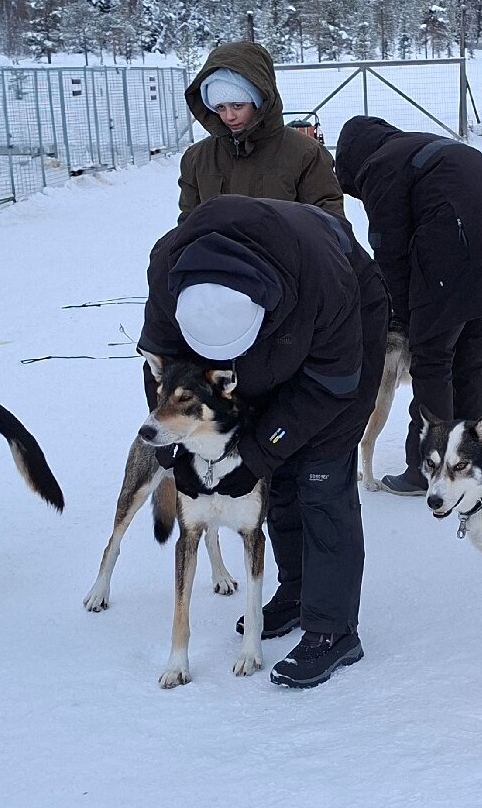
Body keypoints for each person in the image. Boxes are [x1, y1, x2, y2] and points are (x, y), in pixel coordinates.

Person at [138, 194, 388, 689]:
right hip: (276, 338)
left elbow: (330, 386)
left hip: (338, 345)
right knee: (279, 475)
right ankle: (295, 593)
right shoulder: (169, 267)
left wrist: (256, 453)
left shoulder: (324, 281)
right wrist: (174, 446)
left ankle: (332, 629)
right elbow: (163, 369)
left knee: (319, 473)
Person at [333, 116, 482, 495]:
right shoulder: (427, 148)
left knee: (432, 360)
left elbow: (390, 252)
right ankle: (471, 460)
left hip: (454, 253)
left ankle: (426, 469)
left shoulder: (380, 166)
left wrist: (404, 317)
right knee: (471, 358)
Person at [178, 42, 344, 221]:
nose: (229, 116)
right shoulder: (197, 158)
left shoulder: (305, 153)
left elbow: (329, 223)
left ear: (259, 101)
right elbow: (189, 225)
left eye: (237, 105)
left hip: (285, 248)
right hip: (217, 249)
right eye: (220, 107)